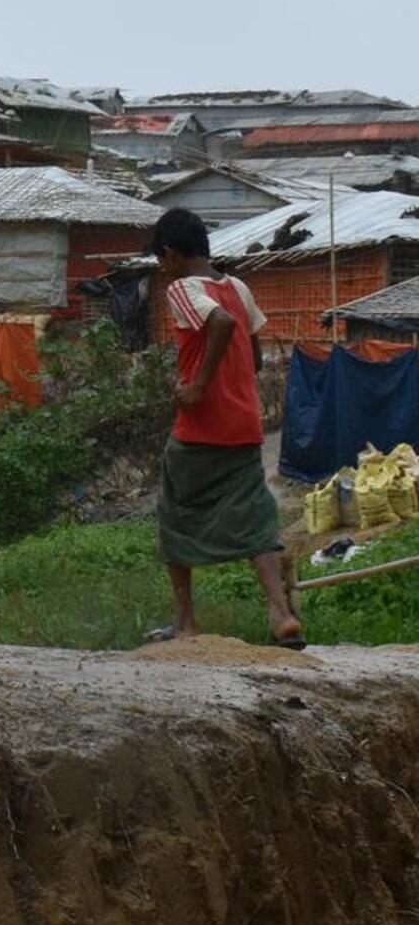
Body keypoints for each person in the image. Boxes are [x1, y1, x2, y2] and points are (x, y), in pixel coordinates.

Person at [148, 207, 305, 649]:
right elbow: (252, 356)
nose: (163, 271)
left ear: (172, 255)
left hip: (200, 428)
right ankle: (280, 614)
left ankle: (186, 623)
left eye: (161, 262)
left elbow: (220, 322)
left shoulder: (182, 288)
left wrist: (198, 385)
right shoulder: (237, 286)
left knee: (175, 514)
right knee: (256, 519)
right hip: (245, 424)